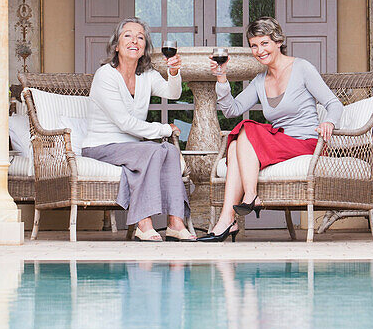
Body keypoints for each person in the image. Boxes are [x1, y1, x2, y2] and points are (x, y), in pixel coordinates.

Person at [198, 17, 343, 243]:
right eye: (254, 45)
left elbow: (334, 104)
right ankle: (228, 219)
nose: (259, 51)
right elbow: (231, 110)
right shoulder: (260, 80)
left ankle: (249, 196)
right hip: (280, 143)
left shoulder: (302, 68)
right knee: (236, 142)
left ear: (278, 42)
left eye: (264, 43)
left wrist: (329, 122)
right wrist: (221, 78)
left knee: (245, 129)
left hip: (305, 143)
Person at [82, 18, 194, 242]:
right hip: (101, 146)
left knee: (170, 151)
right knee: (153, 151)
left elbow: (173, 93)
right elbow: (124, 123)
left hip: (133, 149)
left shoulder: (147, 76)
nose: (134, 40)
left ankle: (175, 222)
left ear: (145, 47)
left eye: (140, 37)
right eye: (128, 35)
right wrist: (163, 129)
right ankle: (143, 222)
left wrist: (173, 73)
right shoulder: (106, 75)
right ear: (116, 45)